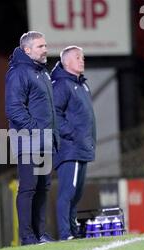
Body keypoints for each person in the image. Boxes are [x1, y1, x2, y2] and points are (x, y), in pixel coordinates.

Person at [5, 31, 58, 245]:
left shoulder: (42, 73)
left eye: (45, 45)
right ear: (27, 50)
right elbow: (13, 109)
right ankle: (27, 236)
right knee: (28, 187)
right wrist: (35, 129)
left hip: (44, 140)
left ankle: (40, 233)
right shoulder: (18, 72)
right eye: (40, 46)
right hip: (28, 141)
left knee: (43, 186)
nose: (45, 49)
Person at [51, 46, 96, 240]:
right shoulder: (61, 85)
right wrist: (72, 134)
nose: (82, 60)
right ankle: (65, 233)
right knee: (68, 192)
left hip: (81, 147)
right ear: (66, 62)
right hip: (70, 148)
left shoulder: (82, 85)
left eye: (83, 57)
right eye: (78, 57)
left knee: (76, 194)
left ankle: (72, 230)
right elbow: (53, 114)